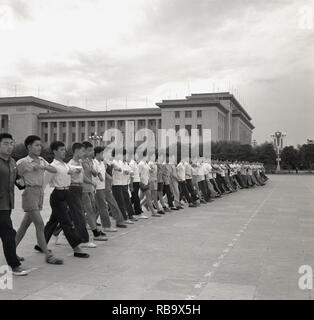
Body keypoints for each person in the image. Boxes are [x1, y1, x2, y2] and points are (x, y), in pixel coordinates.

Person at [15, 135, 63, 265]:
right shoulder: (22, 162)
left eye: (40, 145)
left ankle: (11, 251)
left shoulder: (42, 160)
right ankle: (48, 255)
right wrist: (27, 171)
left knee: (24, 226)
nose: (39, 147)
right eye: (36, 145)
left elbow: (54, 169)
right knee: (40, 224)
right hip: (29, 192)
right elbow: (14, 177)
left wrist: (43, 167)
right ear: (29, 147)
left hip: (39, 193)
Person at [42, 141, 89, 258]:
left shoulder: (64, 165)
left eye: (64, 149)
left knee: (53, 222)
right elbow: (44, 183)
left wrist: (76, 170)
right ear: (55, 152)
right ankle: (76, 248)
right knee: (67, 222)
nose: (64, 152)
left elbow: (70, 170)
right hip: (57, 195)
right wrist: (39, 197)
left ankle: (40, 244)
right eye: (62, 150)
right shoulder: (53, 166)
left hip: (66, 193)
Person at [0, 133, 28, 275]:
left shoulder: (12, 162)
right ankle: (14, 264)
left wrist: (21, 183)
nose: (9, 146)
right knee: (8, 234)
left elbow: (17, 179)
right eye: (5, 143)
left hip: (7, 204)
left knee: (8, 233)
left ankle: (12, 258)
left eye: (11, 143)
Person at [68, 143, 97, 248]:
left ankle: (56, 231)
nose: (84, 153)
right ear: (76, 151)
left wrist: (91, 182)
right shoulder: (70, 164)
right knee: (79, 215)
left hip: (79, 188)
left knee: (71, 214)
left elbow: (83, 177)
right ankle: (84, 240)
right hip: (73, 189)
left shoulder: (79, 162)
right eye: (82, 151)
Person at [81, 141, 107, 241]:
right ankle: (95, 233)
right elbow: (86, 174)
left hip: (89, 189)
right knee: (89, 210)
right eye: (90, 150)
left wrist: (98, 174)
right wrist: (93, 181)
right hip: (83, 189)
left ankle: (60, 230)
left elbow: (94, 172)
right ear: (84, 151)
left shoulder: (88, 161)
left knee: (86, 211)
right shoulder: (82, 161)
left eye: (92, 150)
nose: (92, 152)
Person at [93, 146, 117, 232]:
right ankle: (106, 226)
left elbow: (104, 173)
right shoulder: (94, 163)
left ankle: (88, 222)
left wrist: (109, 177)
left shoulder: (102, 163)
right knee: (103, 207)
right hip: (97, 188)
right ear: (98, 154)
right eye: (102, 153)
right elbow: (95, 174)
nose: (103, 155)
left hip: (102, 188)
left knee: (96, 208)